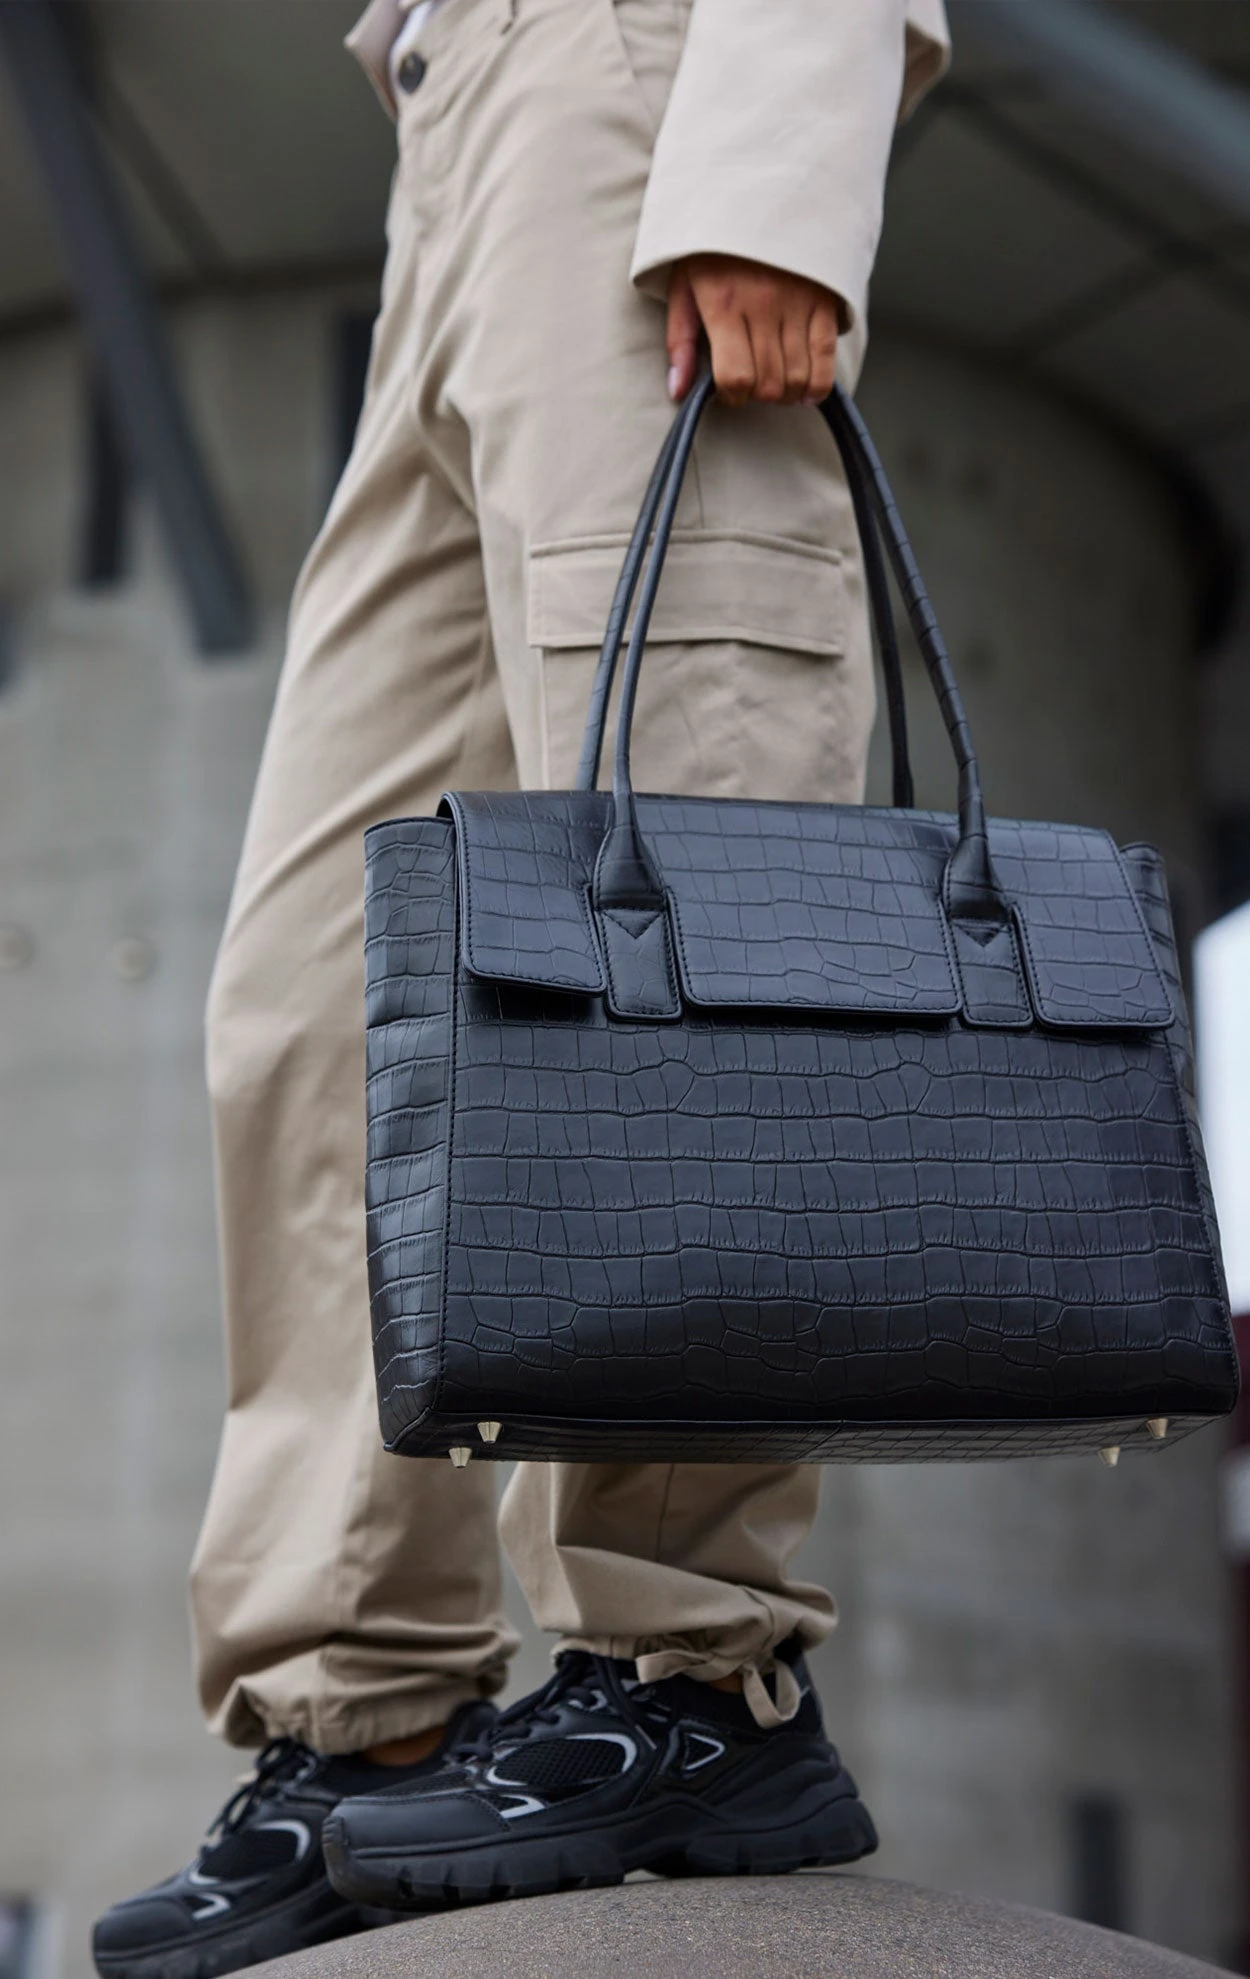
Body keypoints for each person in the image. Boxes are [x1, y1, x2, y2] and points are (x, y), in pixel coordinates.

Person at [92, 1, 949, 1973]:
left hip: (641, 86)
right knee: (319, 990)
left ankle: (692, 1669)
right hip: (450, 132)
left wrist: (769, 170)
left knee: (679, 886)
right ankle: (365, 1709)